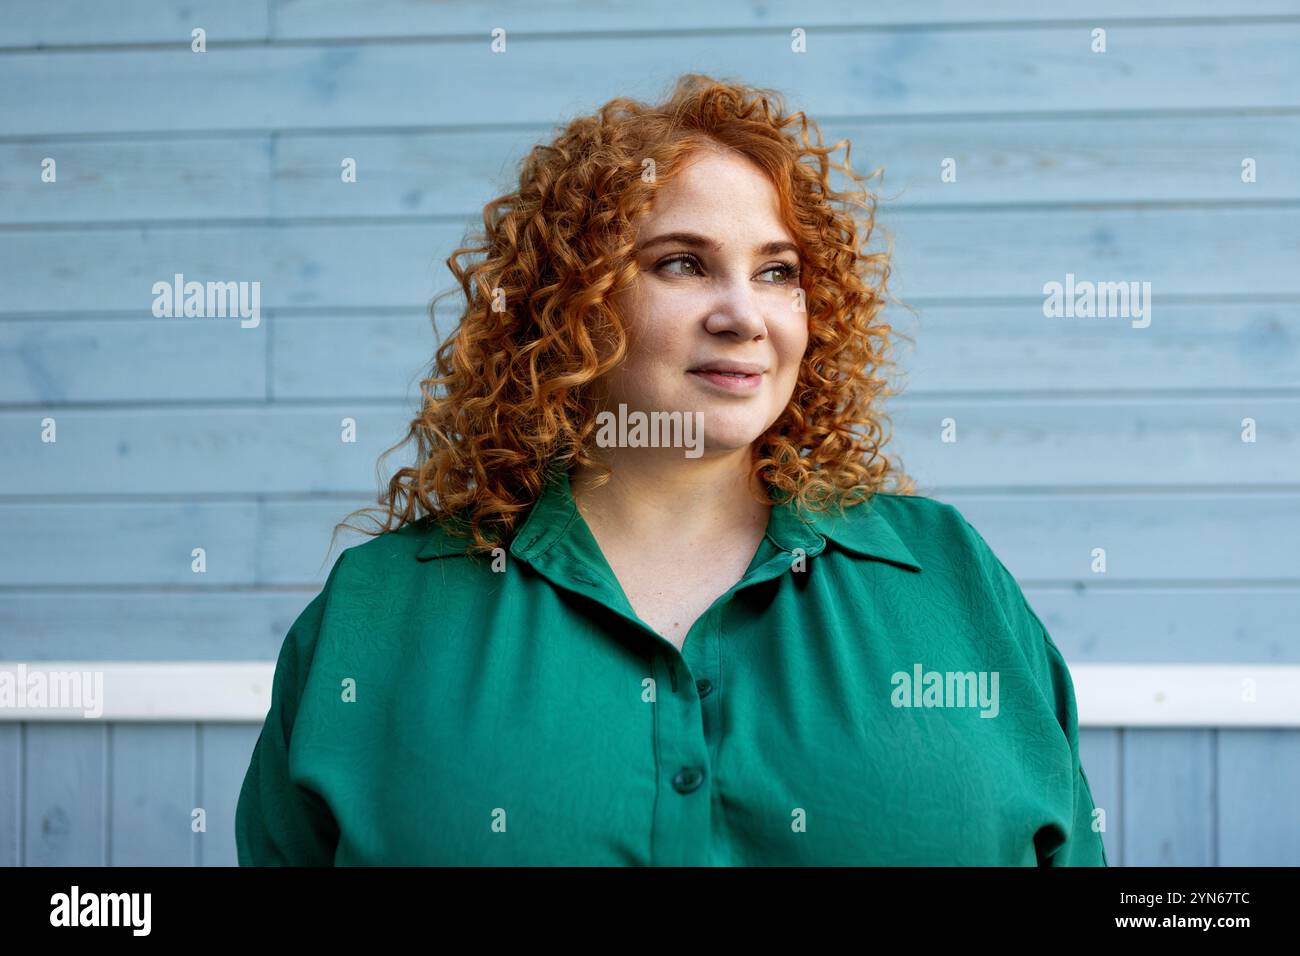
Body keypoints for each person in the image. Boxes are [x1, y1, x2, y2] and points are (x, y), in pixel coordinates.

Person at [236, 74, 1108, 866]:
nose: (744, 314)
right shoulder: (379, 611)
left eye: (777, 272)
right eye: (682, 264)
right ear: (570, 301)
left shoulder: (949, 578)